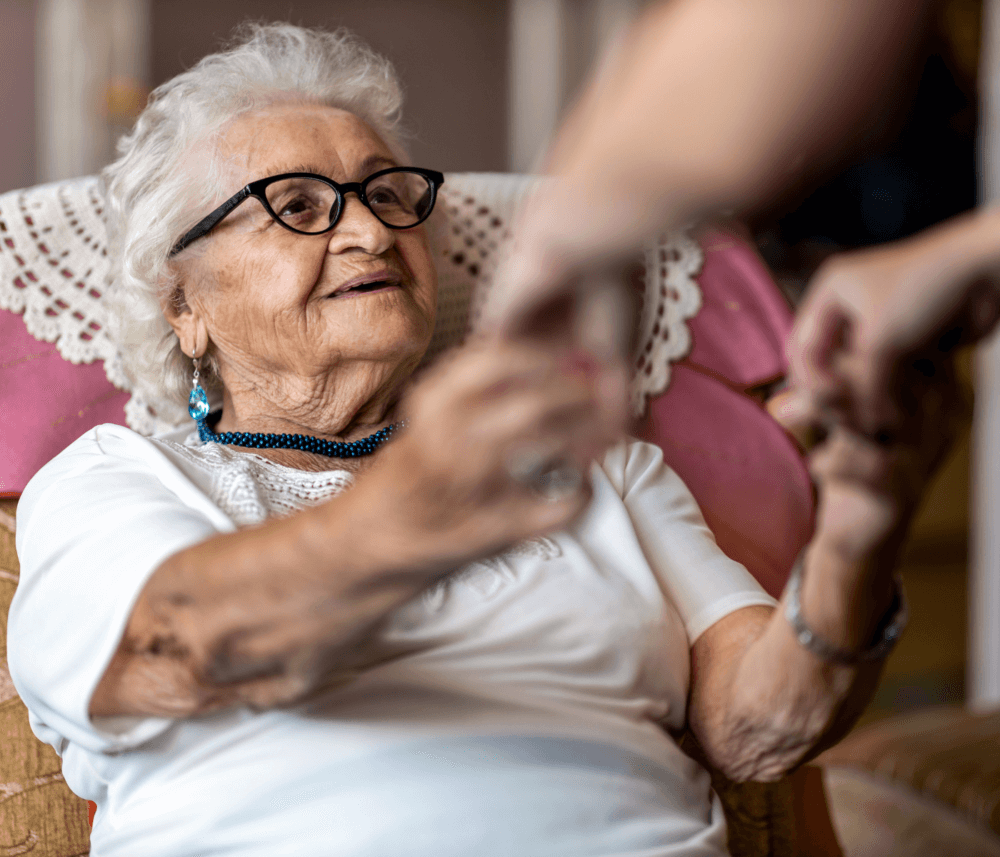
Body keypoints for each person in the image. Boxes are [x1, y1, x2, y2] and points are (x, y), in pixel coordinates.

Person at [7, 23, 955, 857]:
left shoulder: (603, 467)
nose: (371, 233)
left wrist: (859, 536)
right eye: (298, 207)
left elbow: (759, 728)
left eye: (388, 194)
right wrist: (419, 510)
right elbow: (177, 649)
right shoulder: (116, 477)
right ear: (185, 307)